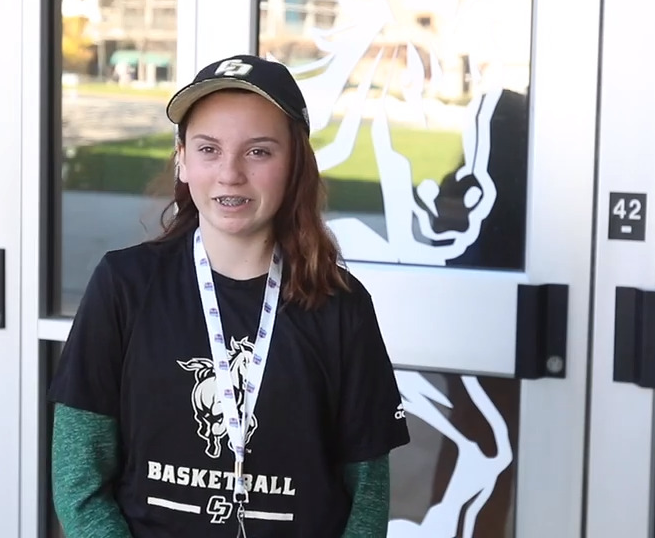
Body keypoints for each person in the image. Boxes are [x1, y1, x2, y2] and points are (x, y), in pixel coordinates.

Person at [48, 54, 411, 537]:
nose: (230, 174)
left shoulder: (341, 306)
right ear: (182, 157)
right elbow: (79, 480)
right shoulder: (124, 286)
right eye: (208, 149)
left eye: (259, 151)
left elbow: (366, 498)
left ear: (296, 164)